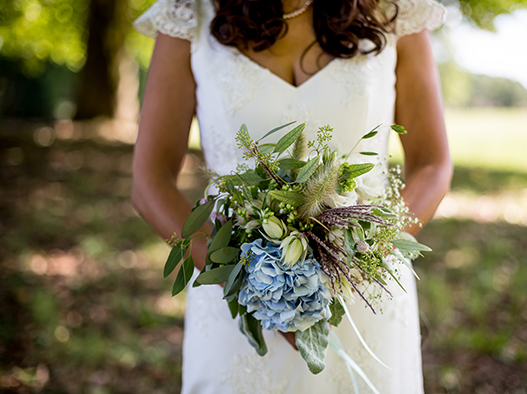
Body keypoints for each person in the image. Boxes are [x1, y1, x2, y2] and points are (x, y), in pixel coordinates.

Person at [131, 0, 452, 392]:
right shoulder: (189, 14)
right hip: (236, 301)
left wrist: (363, 258)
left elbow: (432, 164)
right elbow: (150, 182)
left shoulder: (394, 9)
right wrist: (255, 286)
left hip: (365, 295)